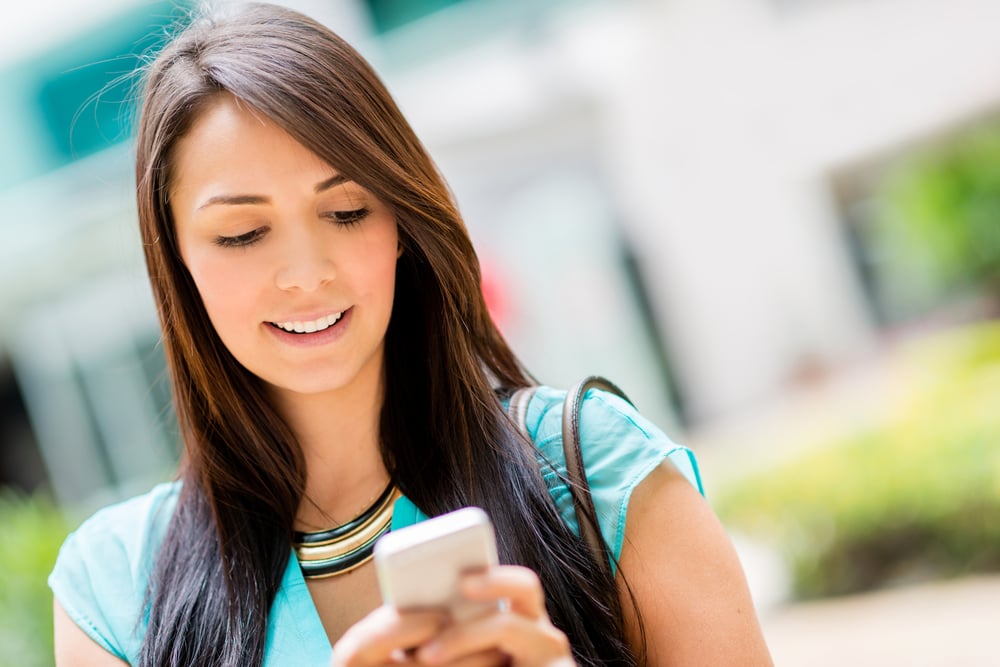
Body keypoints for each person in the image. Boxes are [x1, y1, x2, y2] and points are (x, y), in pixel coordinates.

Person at [48, 3, 773, 666]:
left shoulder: (596, 469)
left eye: (347, 212)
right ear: (176, 260)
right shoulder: (113, 588)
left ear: (401, 222)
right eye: (243, 233)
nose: (305, 274)